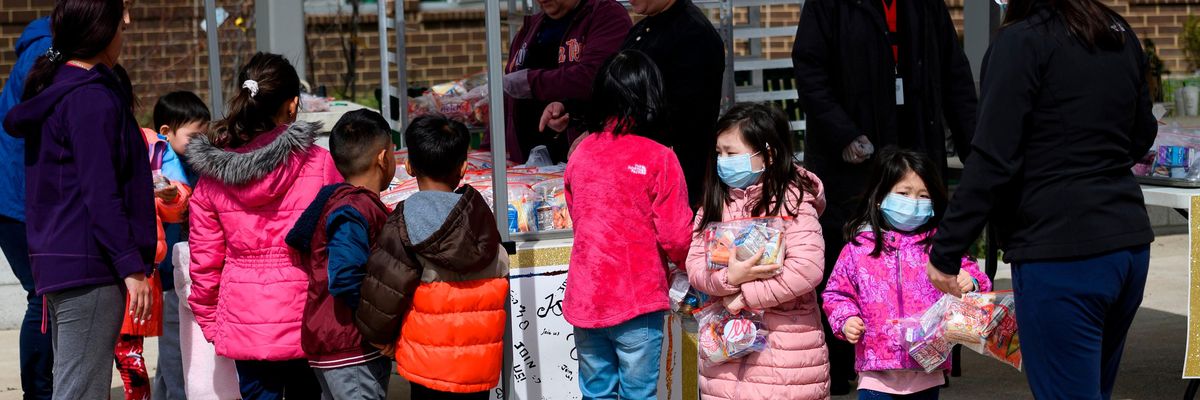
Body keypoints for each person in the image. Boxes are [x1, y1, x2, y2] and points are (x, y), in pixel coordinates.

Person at [927, 1, 1157, 398]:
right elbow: (1141, 134)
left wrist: (946, 249)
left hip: (1061, 252)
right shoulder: (1114, 29)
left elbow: (992, 157)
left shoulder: (1022, 40)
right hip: (1126, 244)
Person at [790, 0, 978, 391]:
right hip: (853, 156)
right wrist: (842, 133)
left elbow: (955, 75)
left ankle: (930, 358)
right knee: (855, 257)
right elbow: (810, 72)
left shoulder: (926, 5)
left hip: (916, 145)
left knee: (924, 254)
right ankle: (849, 362)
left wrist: (975, 154)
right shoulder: (829, 6)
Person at [3, 1, 156, 398]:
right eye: (120, 22)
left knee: (74, 386)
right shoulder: (90, 98)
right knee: (80, 390)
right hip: (90, 265)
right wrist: (131, 266)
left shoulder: (59, 88)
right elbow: (100, 191)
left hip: (64, 259)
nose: (126, 26)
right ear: (101, 30)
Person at [187, 52, 341, 400]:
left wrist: (212, 322)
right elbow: (337, 243)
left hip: (244, 317)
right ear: (293, 104)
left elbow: (205, 261)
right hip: (308, 315)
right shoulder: (320, 163)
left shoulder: (213, 177)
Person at [561, 49, 692, 399]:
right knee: (639, 394)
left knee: (596, 393)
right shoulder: (660, 158)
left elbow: (579, 215)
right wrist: (689, 268)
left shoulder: (581, 153)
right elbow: (677, 237)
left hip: (586, 298)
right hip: (638, 299)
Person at [356, 114, 510, 400]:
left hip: (427, 364)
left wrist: (379, 337)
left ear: (409, 166)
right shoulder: (481, 220)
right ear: (463, 167)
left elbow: (386, 289)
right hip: (478, 366)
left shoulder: (405, 220)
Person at [685, 103, 831, 399]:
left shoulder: (793, 201)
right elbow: (695, 264)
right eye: (719, 153)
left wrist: (745, 295)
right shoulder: (714, 204)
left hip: (784, 354)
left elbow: (807, 268)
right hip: (725, 355)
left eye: (732, 153)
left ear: (768, 155)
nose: (723, 161)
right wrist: (728, 279)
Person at [823, 149, 991, 400]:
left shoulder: (940, 247)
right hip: (876, 371)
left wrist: (972, 281)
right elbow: (836, 293)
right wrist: (846, 319)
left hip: (927, 366)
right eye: (904, 193)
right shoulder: (858, 249)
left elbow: (976, 278)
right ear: (879, 196)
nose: (914, 202)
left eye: (924, 196)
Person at [542, 0, 725, 205]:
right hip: (633, 180)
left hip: (673, 185)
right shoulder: (643, 28)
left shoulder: (695, 35)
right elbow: (617, 93)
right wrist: (570, 110)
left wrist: (606, 133)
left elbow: (683, 117)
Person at [285, 109, 396, 399]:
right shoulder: (353, 209)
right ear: (383, 158)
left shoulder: (343, 202)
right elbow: (346, 276)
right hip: (351, 347)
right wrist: (376, 329)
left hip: (338, 344)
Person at [500, 0, 631, 163]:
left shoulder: (606, 14)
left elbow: (593, 77)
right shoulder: (533, 25)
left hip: (582, 158)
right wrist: (488, 145)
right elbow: (509, 88)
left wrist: (529, 82)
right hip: (528, 161)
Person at [0, 15, 53, 400]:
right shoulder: (47, 51)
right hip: (20, 198)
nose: (128, 21)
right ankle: (39, 393)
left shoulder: (43, 46)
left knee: (45, 295)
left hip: (19, 195)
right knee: (45, 295)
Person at [148, 90, 210, 400]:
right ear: (166, 132)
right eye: (194, 136)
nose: (201, 142)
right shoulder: (160, 168)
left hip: (188, 271)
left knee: (175, 347)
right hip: (171, 276)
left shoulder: (196, 164)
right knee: (175, 347)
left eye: (204, 135)